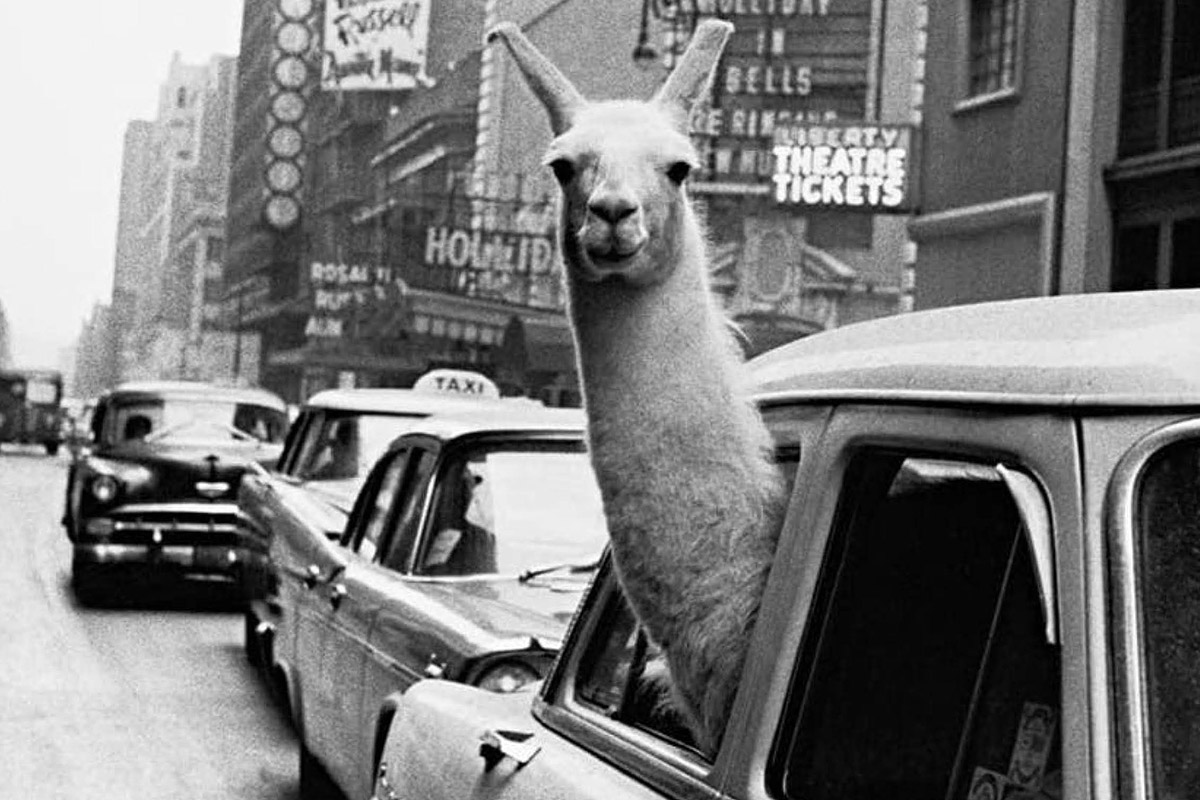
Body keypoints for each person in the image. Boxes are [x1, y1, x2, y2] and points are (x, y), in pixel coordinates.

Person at [424, 461, 497, 575]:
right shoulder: (415, 533)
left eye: (469, 486)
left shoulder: (482, 538)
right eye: (458, 486)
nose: (466, 493)